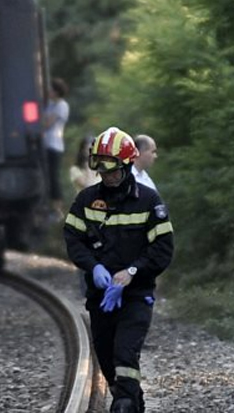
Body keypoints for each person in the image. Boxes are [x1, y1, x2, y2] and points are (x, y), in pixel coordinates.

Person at [63, 127, 174, 413]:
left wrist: (133, 273)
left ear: (126, 166)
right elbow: (74, 240)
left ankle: (124, 404)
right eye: (101, 172)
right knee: (107, 357)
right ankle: (132, 401)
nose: (107, 177)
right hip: (101, 298)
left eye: (112, 171)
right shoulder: (86, 201)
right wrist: (93, 266)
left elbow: (163, 249)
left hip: (137, 295)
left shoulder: (149, 201)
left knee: (125, 355)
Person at [43, 78, 70, 208]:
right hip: (46, 144)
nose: (49, 92)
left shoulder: (62, 106)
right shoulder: (51, 105)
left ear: (57, 91)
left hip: (54, 144)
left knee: (54, 176)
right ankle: (50, 204)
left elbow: (48, 123)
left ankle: (58, 205)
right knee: (47, 175)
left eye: (51, 89)